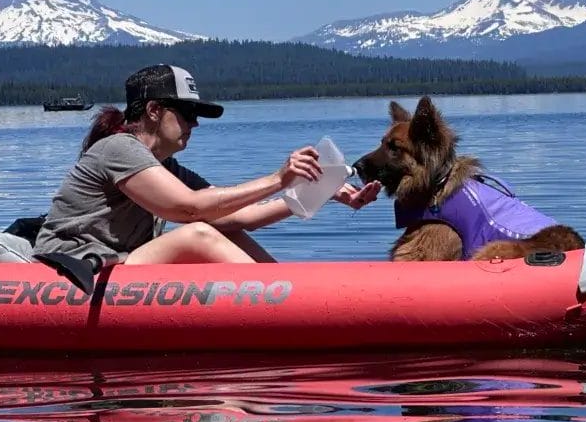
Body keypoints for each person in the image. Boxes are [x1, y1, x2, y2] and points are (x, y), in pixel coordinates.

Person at [32, 64, 380, 270]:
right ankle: (292, 301)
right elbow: (188, 209)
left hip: (116, 267)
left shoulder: (166, 166)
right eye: (187, 113)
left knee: (222, 231)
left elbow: (231, 217)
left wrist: (315, 194)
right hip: (72, 268)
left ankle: (291, 293)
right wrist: (277, 178)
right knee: (197, 234)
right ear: (154, 111)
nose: (194, 124)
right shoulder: (118, 148)